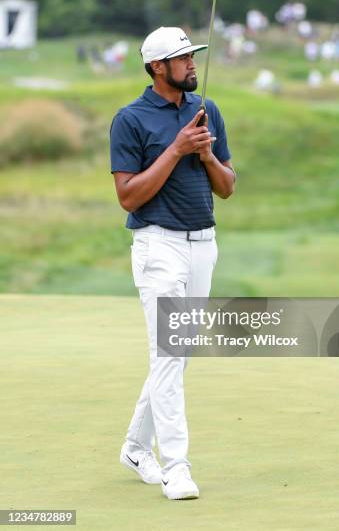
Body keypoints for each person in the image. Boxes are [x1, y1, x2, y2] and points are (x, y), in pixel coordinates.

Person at [109, 26, 235, 500]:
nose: (191, 64)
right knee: (168, 354)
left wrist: (204, 155)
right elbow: (128, 196)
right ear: (157, 67)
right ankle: (177, 468)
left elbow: (227, 187)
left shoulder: (208, 110)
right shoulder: (130, 119)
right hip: (158, 244)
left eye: (192, 56)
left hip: (204, 243)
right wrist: (176, 149)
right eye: (181, 58)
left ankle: (136, 447)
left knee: (177, 355)